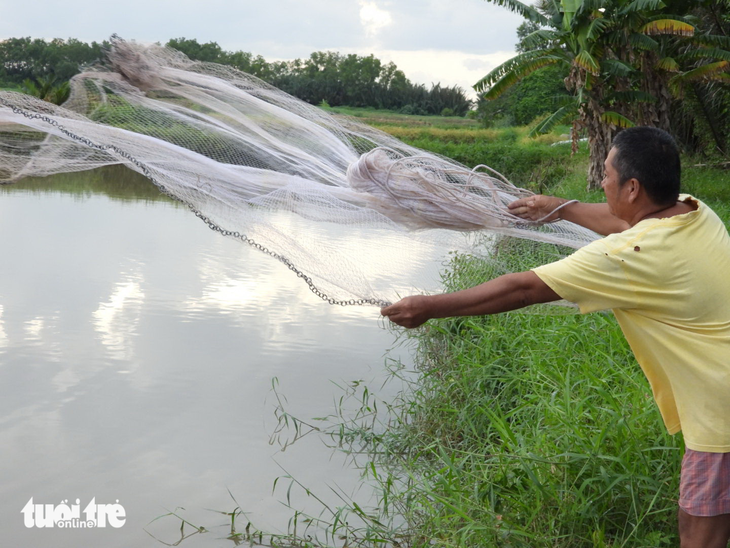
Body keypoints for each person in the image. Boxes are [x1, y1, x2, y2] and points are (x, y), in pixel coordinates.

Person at [380, 126, 730, 548]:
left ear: (633, 187)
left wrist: (430, 307)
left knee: (701, 531)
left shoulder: (630, 255)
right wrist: (560, 208)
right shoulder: (694, 211)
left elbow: (523, 288)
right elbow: (618, 218)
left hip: (720, 413)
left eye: (606, 174)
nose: (601, 183)